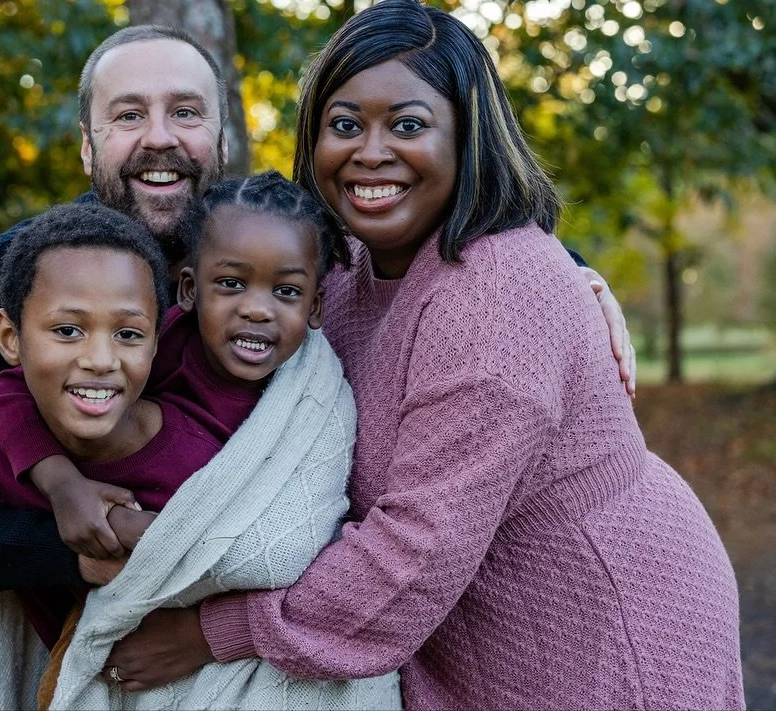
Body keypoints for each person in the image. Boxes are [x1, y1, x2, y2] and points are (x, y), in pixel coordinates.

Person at [0, 21, 632, 642]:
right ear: (86, 142)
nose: (160, 138)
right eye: (129, 116)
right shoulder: (8, 275)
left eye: (186, 113)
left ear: (222, 135)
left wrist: (572, 276)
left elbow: (421, 228)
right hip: (77, 633)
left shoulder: (271, 249)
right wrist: (82, 550)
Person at [98, 3, 746, 710]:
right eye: (345, 125)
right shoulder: (341, 270)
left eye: (407, 125)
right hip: (470, 639)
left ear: (468, 136)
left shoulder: (495, 297)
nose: (371, 152)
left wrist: (213, 630)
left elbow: (415, 550)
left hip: (601, 638)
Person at [0, 173, 402, 710]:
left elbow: (283, 541)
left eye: (286, 292)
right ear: (188, 290)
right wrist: (62, 483)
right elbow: (9, 392)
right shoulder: (149, 346)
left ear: (317, 308)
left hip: (202, 637)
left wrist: (135, 529)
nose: (258, 309)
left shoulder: (309, 402)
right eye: (230, 283)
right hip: (87, 621)